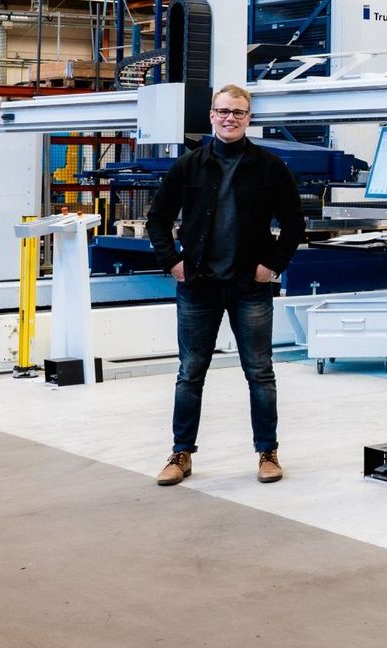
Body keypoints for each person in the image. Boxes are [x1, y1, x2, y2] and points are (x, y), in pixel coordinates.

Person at [147, 83, 306, 486]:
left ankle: (267, 452)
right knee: (190, 372)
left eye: (238, 112)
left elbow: (294, 222)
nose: (229, 118)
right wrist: (172, 262)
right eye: (223, 111)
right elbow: (157, 219)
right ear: (212, 116)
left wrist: (272, 265)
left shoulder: (270, 167)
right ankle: (181, 453)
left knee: (260, 372)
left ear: (249, 118)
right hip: (198, 284)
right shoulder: (189, 166)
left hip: (249, 285)